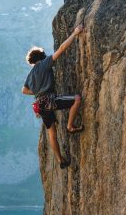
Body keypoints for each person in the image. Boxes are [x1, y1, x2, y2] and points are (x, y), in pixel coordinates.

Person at [22, 25, 84, 169]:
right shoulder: (44, 64)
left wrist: (37, 92)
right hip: (50, 100)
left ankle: (60, 159)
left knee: (51, 132)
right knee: (77, 99)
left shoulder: (30, 75)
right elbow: (61, 49)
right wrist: (74, 33)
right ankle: (70, 126)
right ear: (41, 57)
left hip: (40, 106)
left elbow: (24, 90)